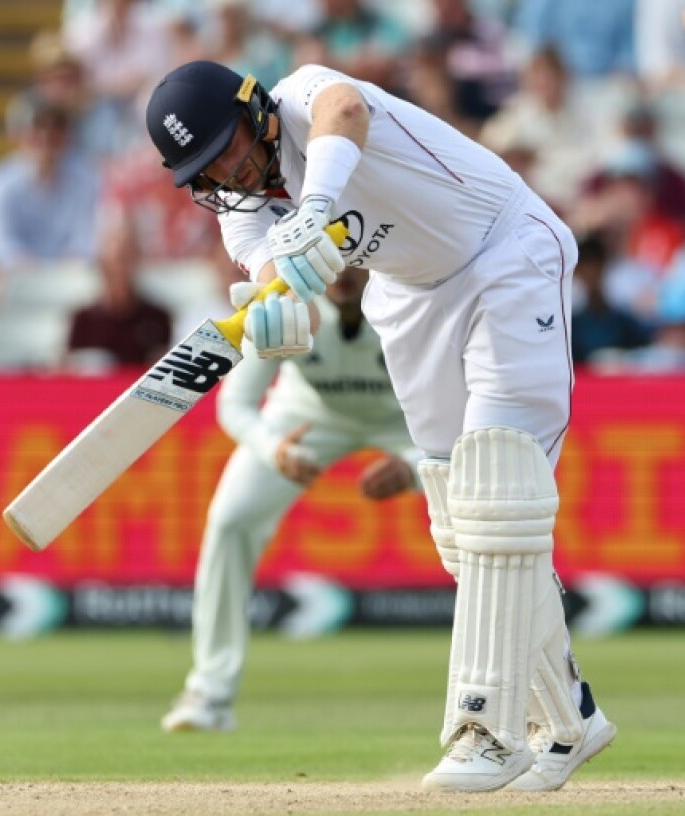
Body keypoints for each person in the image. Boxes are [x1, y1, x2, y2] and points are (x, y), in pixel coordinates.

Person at [144, 60, 614, 792]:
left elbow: (346, 111)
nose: (229, 173)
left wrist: (317, 203)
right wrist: (277, 309)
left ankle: (485, 730)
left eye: (228, 147)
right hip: (411, 297)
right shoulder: (242, 209)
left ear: (255, 108)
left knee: (497, 485)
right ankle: (569, 717)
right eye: (206, 171)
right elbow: (278, 279)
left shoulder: (303, 94)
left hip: (504, 252)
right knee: (462, 519)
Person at [161, 266, 422, 733]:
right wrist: (273, 449)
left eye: (354, 262)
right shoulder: (288, 305)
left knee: (475, 520)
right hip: (305, 415)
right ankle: (209, 692)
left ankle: (509, 696)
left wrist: (416, 469)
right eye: (332, 263)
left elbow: (467, 410)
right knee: (230, 520)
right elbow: (235, 403)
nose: (342, 274)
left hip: (408, 421)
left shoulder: (412, 306)